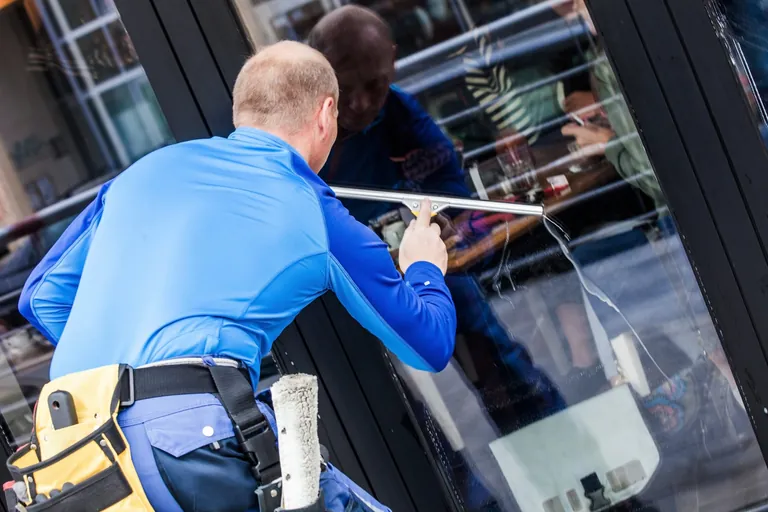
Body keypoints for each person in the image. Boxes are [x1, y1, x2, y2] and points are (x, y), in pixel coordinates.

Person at [17, 41, 456, 512]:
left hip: (77, 456)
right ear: (327, 113)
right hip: (188, 440)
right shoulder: (318, 214)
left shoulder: (142, 173)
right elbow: (427, 344)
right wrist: (423, 265)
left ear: (242, 111)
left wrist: (118, 372)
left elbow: (41, 298)